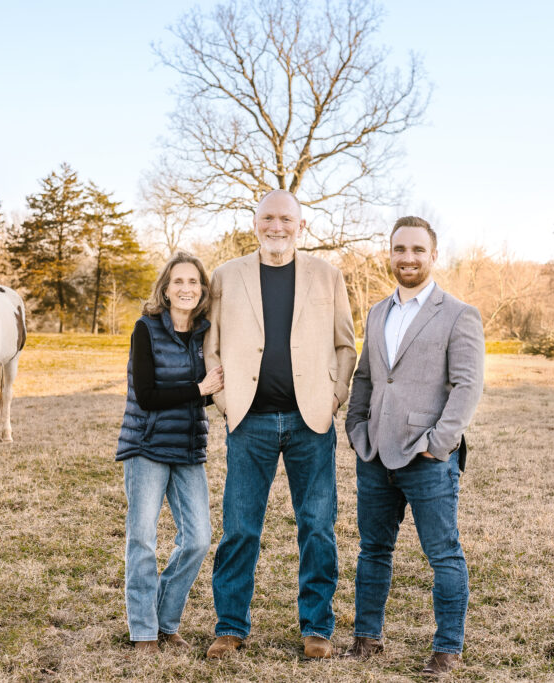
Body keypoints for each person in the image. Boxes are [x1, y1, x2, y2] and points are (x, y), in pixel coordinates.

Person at [203, 190, 357, 659]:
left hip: (311, 421)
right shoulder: (226, 276)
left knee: (317, 526)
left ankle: (317, 629)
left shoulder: (327, 276)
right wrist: (227, 404)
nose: (276, 226)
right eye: (267, 217)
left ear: (300, 226)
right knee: (240, 528)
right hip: (248, 420)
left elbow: (346, 345)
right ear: (255, 224)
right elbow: (212, 346)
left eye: (285, 219)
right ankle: (230, 626)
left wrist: (334, 397)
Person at [343, 216, 485, 675]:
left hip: (427, 459)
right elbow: (366, 377)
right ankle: (367, 638)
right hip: (375, 454)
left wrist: (439, 444)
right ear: (390, 253)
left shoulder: (458, 313)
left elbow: (467, 386)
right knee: (373, 550)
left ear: (433, 256)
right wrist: (356, 429)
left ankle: (447, 649)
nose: (407, 258)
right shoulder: (378, 311)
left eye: (417, 250)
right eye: (399, 249)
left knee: (443, 553)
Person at [115, 252, 225, 655]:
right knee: (142, 539)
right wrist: (199, 389)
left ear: (202, 290)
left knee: (197, 539)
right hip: (146, 445)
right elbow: (147, 394)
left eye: (194, 282)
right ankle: (144, 631)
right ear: (165, 288)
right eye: (178, 281)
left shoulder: (204, 335)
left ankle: (165, 619)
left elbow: (212, 394)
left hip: (188, 446)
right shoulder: (146, 329)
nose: (186, 288)